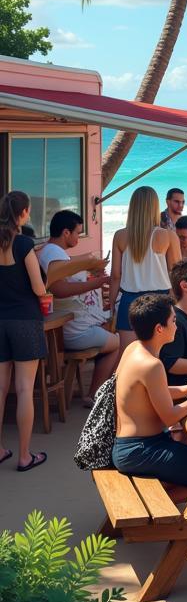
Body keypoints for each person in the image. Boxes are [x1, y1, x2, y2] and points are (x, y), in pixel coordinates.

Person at [113, 294, 187, 502]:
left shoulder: (134, 349)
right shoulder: (152, 365)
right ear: (159, 329)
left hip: (130, 446)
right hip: (141, 450)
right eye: (173, 321)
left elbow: (154, 392)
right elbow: (170, 417)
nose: (177, 326)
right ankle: (149, 506)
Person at [38, 210, 116, 405]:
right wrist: (97, 283)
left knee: (110, 328)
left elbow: (65, 282)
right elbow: (60, 289)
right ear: (66, 233)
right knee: (121, 343)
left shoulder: (51, 252)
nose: (79, 238)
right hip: (74, 332)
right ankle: (94, 393)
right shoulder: (54, 255)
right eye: (77, 233)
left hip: (67, 328)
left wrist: (90, 272)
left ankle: (97, 391)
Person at [0, 190, 49, 471]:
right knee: (24, 390)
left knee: (1, 389)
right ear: (23, 214)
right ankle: (24, 455)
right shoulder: (23, 244)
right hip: (25, 322)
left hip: (0, 320)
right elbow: (38, 288)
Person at [110, 185, 179, 350]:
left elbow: (115, 276)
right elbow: (177, 272)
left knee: (128, 358)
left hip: (129, 301)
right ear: (155, 207)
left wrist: (112, 304)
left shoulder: (120, 236)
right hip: (160, 301)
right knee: (160, 358)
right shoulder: (168, 235)